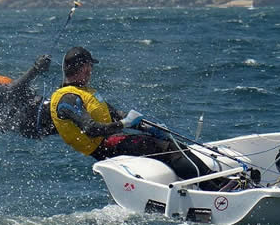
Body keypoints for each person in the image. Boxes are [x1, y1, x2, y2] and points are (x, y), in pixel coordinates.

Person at [49, 46, 220, 184]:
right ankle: (211, 187)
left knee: (171, 142)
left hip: (112, 140)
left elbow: (115, 114)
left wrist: (146, 126)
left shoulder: (85, 92)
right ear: (84, 67)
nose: (91, 71)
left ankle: (216, 180)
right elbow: (91, 129)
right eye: (90, 67)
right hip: (103, 149)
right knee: (164, 148)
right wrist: (125, 124)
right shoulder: (67, 98)